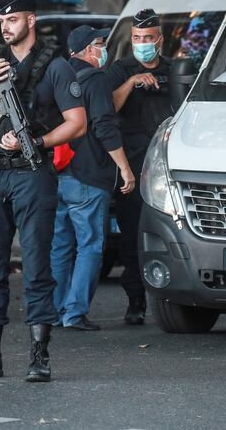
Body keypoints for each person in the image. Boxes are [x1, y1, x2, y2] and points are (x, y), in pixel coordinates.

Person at [0, 0, 86, 382]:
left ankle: (39, 354)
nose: (6, 27)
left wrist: (39, 141)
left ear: (31, 20)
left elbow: (77, 122)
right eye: (2, 21)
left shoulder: (56, 67)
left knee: (37, 264)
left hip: (32, 173)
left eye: (13, 20)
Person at [50, 25, 136, 331]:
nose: (104, 49)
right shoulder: (96, 79)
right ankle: (74, 313)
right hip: (89, 175)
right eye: (100, 44)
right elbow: (104, 126)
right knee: (89, 245)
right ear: (88, 50)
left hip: (58, 172)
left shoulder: (58, 75)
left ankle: (58, 309)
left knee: (60, 245)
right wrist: (124, 168)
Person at [107, 8, 173, 326]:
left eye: (148, 38)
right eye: (136, 38)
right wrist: (132, 82)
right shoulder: (120, 70)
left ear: (159, 40)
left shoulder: (174, 70)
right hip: (131, 165)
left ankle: (172, 298)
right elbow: (108, 108)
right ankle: (135, 301)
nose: (142, 43)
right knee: (132, 235)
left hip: (165, 166)